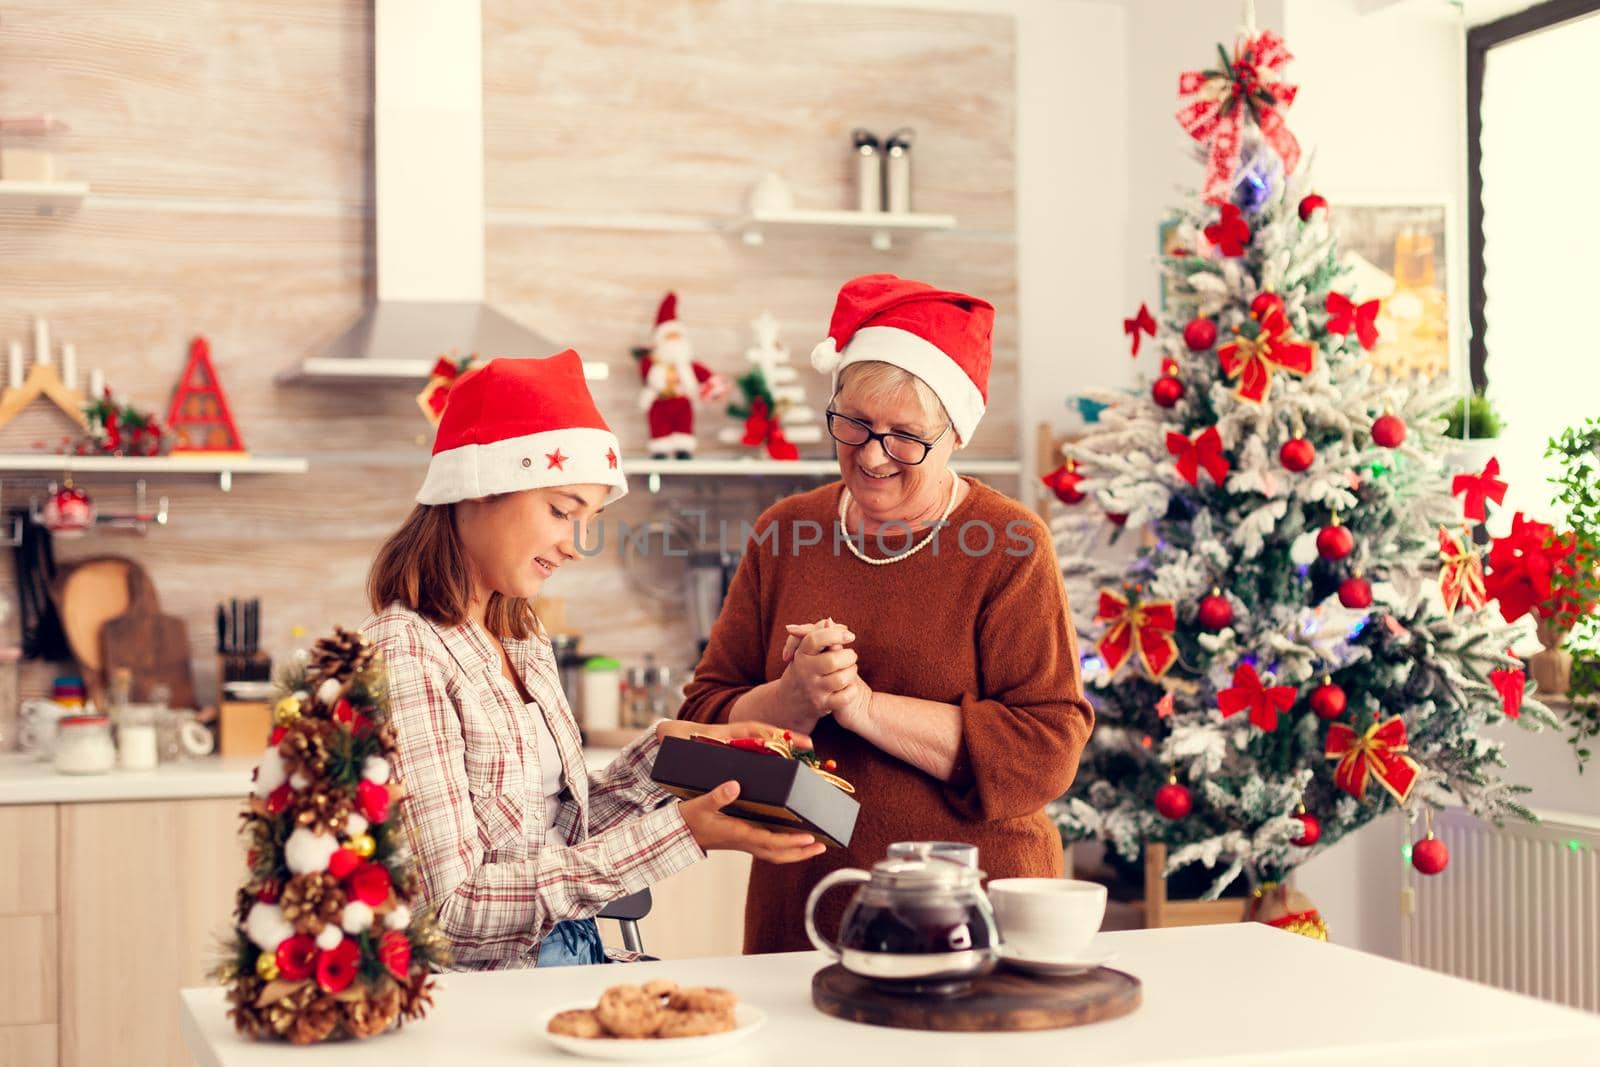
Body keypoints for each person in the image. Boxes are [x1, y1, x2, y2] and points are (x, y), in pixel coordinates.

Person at [364, 351, 823, 970]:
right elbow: (450, 912)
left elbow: (559, 843)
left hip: (569, 964)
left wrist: (667, 756)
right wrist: (679, 834)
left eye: (589, 521)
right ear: (474, 488)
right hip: (485, 1003)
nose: (577, 546)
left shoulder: (520, 640)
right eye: (561, 510)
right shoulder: (406, 651)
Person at [678, 274, 1094, 953]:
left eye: (905, 436)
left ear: (955, 433)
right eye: (855, 424)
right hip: (802, 923)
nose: (871, 455)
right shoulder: (785, 532)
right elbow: (699, 724)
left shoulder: (1010, 544)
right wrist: (791, 698)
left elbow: (1045, 748)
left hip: (967, 924)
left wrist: (863, 705)